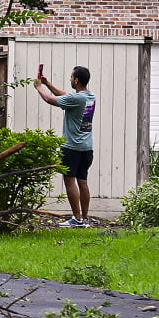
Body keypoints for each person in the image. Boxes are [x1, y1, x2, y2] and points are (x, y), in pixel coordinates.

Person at [33, 65, 96, 228]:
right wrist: (48, 84)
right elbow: (65, 95)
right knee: (83, 181)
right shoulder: (90, 96)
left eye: (71, 77)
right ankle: (84, 218)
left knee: (69, 181)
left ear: (77, 80)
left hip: (72, 147)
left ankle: (76, 219)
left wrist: (39, 88)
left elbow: (51, 100)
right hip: (87, 147)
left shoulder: (76, 99)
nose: (70, 79)